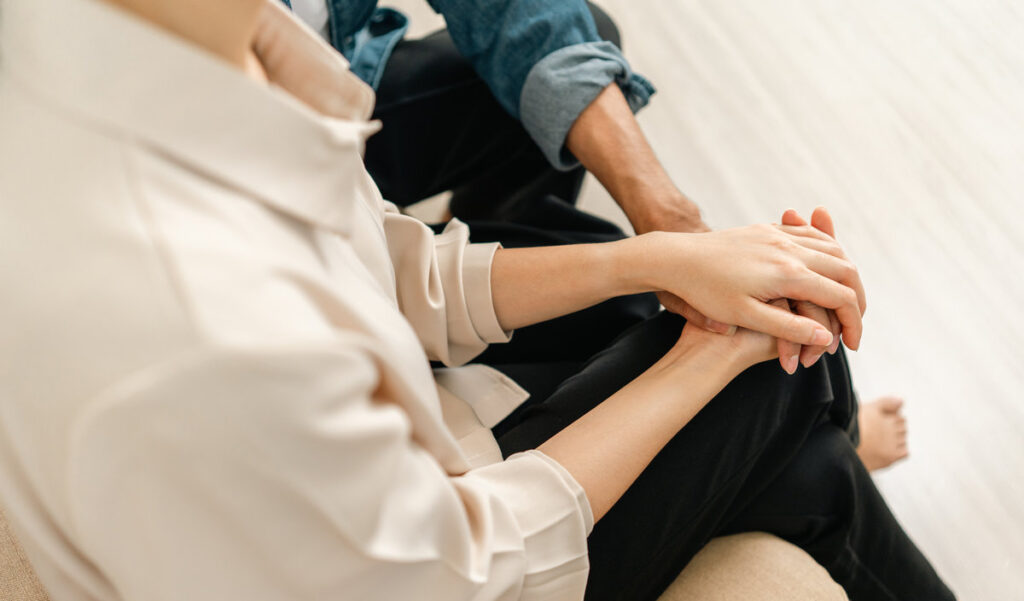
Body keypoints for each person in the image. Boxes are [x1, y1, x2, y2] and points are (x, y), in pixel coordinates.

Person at [0, 2, 952, 601]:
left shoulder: (201, 50)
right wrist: (713, 357)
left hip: (393, 496)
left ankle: (808, 445)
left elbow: (395, 269)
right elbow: (465, 571)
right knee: (780, 374)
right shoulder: (198, 324)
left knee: (799, 427)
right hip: (438, 558)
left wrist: (659, 255)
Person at [281, 0, 911, 471]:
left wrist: (668, 227)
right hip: (305, 188)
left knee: (580, 40)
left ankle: (530, 247)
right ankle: (834, 440)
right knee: (788, 396)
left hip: (345, 109)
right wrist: (658, 270)